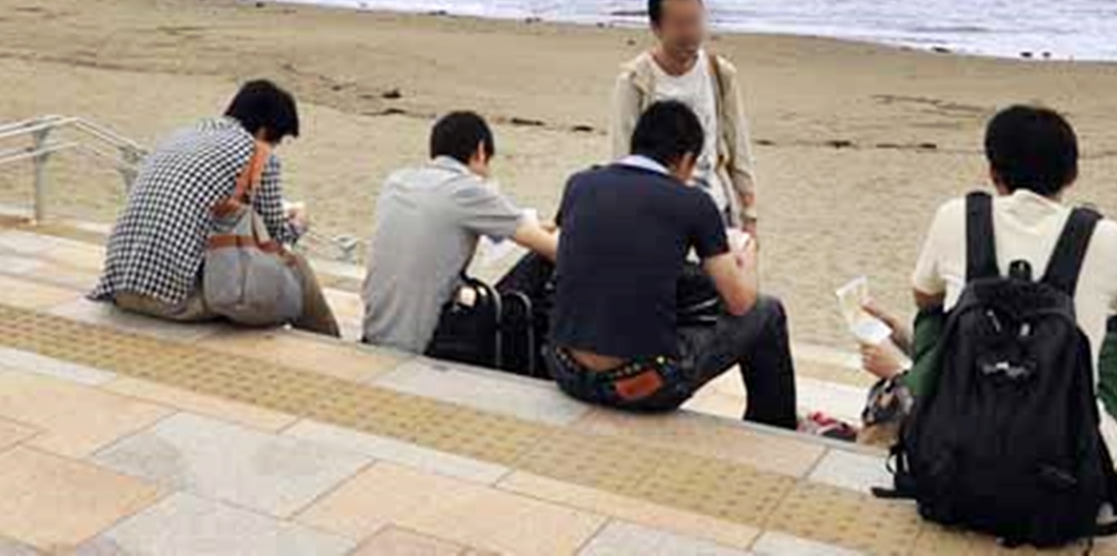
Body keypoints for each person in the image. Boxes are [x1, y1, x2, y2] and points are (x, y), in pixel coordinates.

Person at [900, 104, 1117, 471]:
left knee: (934, 314)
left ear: (992, 171)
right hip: (1059, 471)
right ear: (1072, 174)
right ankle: (1102, 469)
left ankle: (934, 408)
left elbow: (923, 297)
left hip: (949, 460)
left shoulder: (954, 217)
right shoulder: (1107, 237)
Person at [545, 100, 797, 428]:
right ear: (687, 159)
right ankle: (775, 426)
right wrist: (746, 253)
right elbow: (740, 302)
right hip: (642, 385)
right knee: (767, 312)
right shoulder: (692, 202)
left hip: (566, 369)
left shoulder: (580, 183)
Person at [90, 80, 339, 336]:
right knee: (296, 268)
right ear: (264, 131)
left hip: (120, 287)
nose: (274, 147)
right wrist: (299, 221)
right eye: (278, 140)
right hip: (174, 300)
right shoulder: (258, 154)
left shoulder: (184, 135)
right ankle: (336, 346)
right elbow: (279, 237)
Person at [361, 112, 559, 355]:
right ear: (480, 150)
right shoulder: (468, 190)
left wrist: (539, 226)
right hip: (421, 343)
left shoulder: (397, 181)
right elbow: (553, 249)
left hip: (375, 331)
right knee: (539, 264)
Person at [609, 0, 758, 234]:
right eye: (680, 24)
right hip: (658, 211)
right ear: (656, 28)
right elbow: (622, 154)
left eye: (695, 21)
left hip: (714, 206)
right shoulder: (636, 80)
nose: (690, 32)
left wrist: (749, 212)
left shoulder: (719, 72)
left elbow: (738, 146)